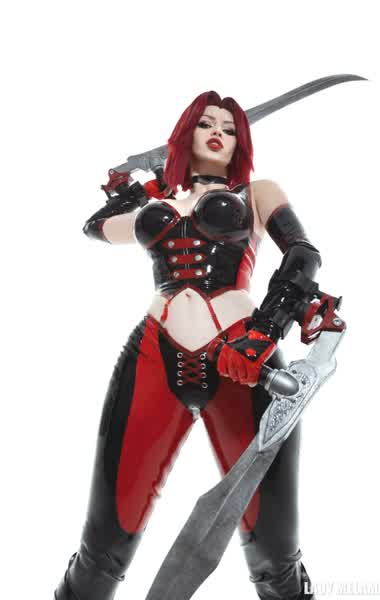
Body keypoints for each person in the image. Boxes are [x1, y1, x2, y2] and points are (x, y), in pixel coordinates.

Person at [55, 91, 321, 600]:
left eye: (230, 127)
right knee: (101, 549)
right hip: (153, 357)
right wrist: (132, 188)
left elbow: (303, 255)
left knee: (275, 556)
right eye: (206, 124)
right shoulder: (156, 204)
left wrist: (264, 332)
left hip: (245, 360)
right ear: (185, 135)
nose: (218, 132)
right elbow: (95, 228)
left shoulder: (257, 192)